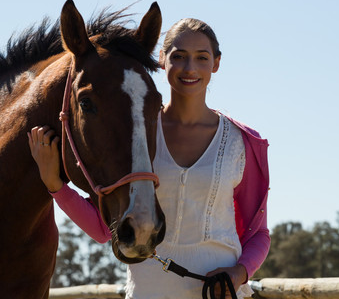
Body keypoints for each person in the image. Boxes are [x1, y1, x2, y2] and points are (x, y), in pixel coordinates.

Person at [28, 18, 270, 298]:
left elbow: (258, 233)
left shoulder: (243, 142)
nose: (189, 68)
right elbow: (103, 231)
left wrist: (238, 274)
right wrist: (56, 186)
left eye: (201, 58)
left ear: (215, 64)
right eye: (178, 56)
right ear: (161, 60)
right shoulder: (137, 132)